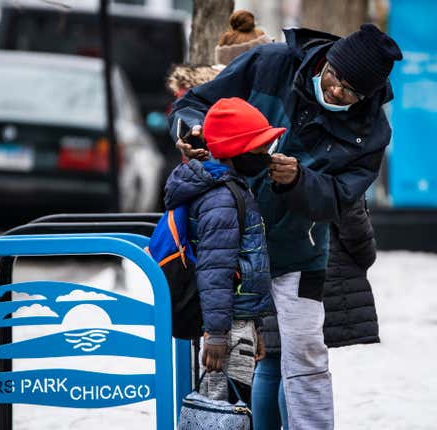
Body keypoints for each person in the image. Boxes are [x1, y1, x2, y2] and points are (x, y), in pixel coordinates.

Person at [170, 23, 402, 429]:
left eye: (349, 92)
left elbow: (340, 198)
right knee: (240, 356)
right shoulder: (269, 63)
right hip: (234, 243)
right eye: (334, 78)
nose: (335, 92)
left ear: (367, 96)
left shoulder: (372, 132)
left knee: (307, 355)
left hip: (303, 252)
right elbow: (195, 103)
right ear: (326, 61)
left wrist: (299, 181)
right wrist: (193, 132)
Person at [164, 97, 286, 405]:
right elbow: (215, 271)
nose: (265, 155)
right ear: (235, 150)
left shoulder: (230, 187)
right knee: (224, 407)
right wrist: (218, 335)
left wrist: (254, 326)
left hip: (236, 321)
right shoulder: (221, 198)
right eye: (258, 148)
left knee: (231, 403)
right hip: (226, 326)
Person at [255, 198, 379, 429]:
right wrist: (365, 254)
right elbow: (351, 217)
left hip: (266, 258)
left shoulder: (259, 164)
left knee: (271, 360)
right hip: (313, 263)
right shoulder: (325, 162)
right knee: (300, 361)